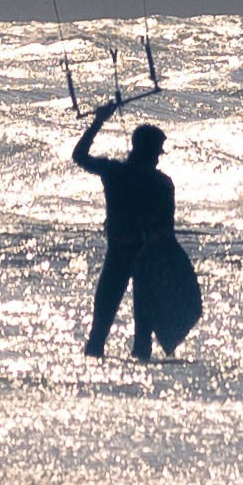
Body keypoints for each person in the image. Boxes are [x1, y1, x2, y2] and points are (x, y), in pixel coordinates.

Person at [71, 95, 201, 359]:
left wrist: (98, 122)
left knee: (101, 333)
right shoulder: (161, 184)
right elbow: (167, 234)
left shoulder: (115, 173)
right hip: (145, 264)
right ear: (145, 151)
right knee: (140, 338)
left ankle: (107, 385)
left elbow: (79, 155)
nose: (157, 160)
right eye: (155, 153)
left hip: (128, 260)